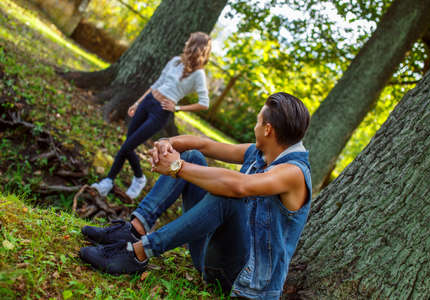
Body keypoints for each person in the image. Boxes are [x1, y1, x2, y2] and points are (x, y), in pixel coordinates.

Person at [80, 92, 312, 299]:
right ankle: (135, 229)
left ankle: (139, 253)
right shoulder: (260, 153)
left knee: (228, 198)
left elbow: (239, 186)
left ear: (268, 129)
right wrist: (167, 144)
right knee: (192, 156)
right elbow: (206, 145)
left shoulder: (293, 173)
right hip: (210, 255)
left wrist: (177, 167)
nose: (255, 126)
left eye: (258, 121)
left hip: (242, 282)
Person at [91, 32, 212, 199]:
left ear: (195, 47)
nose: (185, 43)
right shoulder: (175, 61)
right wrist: (137, 102)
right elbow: (157, 83)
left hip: (161, 112)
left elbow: (204, 103)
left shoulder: (198, 74)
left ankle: (109, 182)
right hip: (148, 102)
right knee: (128, 144)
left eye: (189, 42)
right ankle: (137, 178)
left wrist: (177, 108)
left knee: (127, 146)